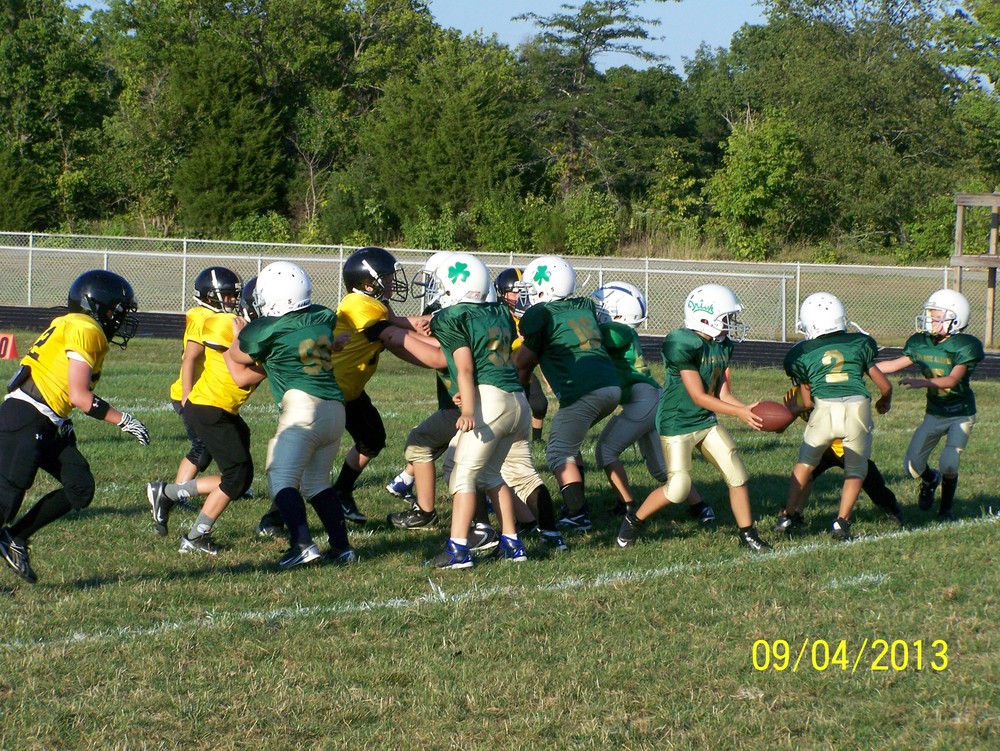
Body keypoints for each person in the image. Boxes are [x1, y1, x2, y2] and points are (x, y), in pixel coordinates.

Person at [0, 270, 149, 584]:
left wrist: (63, 421)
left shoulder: (71, 323)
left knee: (79, 486)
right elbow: (80, 396)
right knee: (5, 502)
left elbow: (54, 378)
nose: (120, 319)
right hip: (27, 417)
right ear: (99, 308)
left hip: (44, 418)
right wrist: (124, 420)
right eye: (117, 311)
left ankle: (15, 538)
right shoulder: (86, 328)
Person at [615, 284, 772, 552]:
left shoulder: (721, 346)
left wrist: (746, 409)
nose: (731, 323)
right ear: (705, 318)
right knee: (678, 488)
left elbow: (722, 393)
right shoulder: (682, 343)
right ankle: (633, 520)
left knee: (737, 474)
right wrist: (737, 413)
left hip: (705, 421)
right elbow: (698, 396)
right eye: (726, 318)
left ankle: (748, 534)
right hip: (677, 423)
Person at [227, 262, 356, 568]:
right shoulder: (322, 315)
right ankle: (342, 548)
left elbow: (237, 355)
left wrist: (237, 334)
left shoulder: (267, 329)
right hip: (334, 410)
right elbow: (308, 344)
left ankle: (302, 544)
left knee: (281, 478)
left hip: (303, 408)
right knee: (317, 483)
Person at [425, 252, 533, 568]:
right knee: (490, 473)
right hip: (517, 401)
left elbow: (465, 367)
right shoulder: (498, 311)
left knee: (462, 475)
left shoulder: (451, 316)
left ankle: (458, 550)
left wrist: (469, 408)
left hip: (491, 402)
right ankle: (512, 544)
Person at [146, 277, 262, 554]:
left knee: (240, 473)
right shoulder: (222, 323)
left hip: (220, 408)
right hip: (207, 407)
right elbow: (241, 375)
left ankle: (169, 493)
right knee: (235, 475)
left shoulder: (246, 327)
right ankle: (196, 536)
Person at [592, 281, 715, 524]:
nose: (597, 313)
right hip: (652, 398)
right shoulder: (624, 331)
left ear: (617, 312)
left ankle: (627, 505)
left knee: (605, 451)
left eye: (602, 307)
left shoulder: (617, 331)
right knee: (662, 468)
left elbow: (594, 338)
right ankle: (701, 507)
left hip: (641, 401)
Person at [514, 255, 621, 532]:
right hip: (610, 385)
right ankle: (576, 504)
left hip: (583, 391)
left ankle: (577, 513)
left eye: (530, 289)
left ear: (543, 290)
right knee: (570, 443)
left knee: (558, 451)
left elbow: (523, 362)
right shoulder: (583, 306)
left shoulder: (542, 314)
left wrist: (517, 388)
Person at [774, 292, 893, 541]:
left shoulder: (802, 352)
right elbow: (885, 385)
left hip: (824, 408)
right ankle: (841, 523)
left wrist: (792, 410)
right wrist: (884, 400)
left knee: (805, 464)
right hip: (857, 408)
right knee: (856, 471)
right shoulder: (859, 344)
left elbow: (807, 401)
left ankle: (787, 514)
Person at [876, 289, 984, 521]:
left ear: (956, 320)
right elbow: (892, 365)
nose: (930, 321)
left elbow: (952, 380)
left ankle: (946, 510)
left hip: (961, 413)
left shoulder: (965, 346)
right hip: (935, 413)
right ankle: (930, 479)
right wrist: (860, 367)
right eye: (930, 316)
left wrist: (923, 382)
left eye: (936, 317)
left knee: (949, 462)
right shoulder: (922, 343)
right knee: (912, 466)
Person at [162, 267, 243, 503]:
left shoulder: (215, 317)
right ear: (210, 296)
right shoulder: (202, 316)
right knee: (202, 446)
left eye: (234, 295)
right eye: (227, 295)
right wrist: (187, 395)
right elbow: (190, 357)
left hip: (207, 394)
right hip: (193, 395)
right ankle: (174, 494)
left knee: (234, 436)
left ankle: (236, 481)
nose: (232, 300)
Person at [775, 384, 903, 530]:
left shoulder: (835, 388)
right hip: (822, 447)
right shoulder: (794, 395)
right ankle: (793, 514)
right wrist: (792, 412)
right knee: (805, 476)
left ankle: (890, 507)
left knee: (871, 482)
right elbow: (780, 427)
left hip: (847, 446)